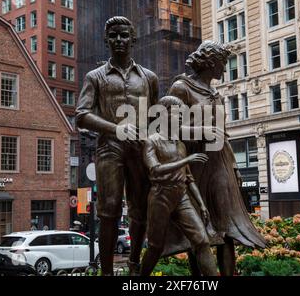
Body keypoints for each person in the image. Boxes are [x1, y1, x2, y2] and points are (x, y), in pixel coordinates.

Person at [167, 41, 266, 276]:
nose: (224, 67)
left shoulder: (216, 94)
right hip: (195, 163)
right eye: (223, 62)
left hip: (220, 161)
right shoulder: (182, 88)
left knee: (226, 227)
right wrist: (203, 132)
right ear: (211, 62)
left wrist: (234, 165)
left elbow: (224, 135)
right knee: (198, 230)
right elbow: (168, 129)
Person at [76, 16, 159, 275]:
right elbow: (81, 114)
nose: (119, 40)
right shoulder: (95, 77)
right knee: (109, 211)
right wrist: (116, 128)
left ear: (133, 39)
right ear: (106, 40)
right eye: (113, 35)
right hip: (109, 148)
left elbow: (156, 115)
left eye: (124, 35)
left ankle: (134, 263)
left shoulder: (149, 77)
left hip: (140, 149)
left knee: (140, 209)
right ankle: (107, 271)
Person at [140, 96, 217, 276]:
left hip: (182, 196)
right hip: (160, 196)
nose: (181, 117)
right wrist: (187, 159)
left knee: (202, 241)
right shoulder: (152, 141)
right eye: (177, 114)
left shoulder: (180, 144)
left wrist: (201, 204)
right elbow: (155, 169)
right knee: (155, 247)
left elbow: (189, 179)